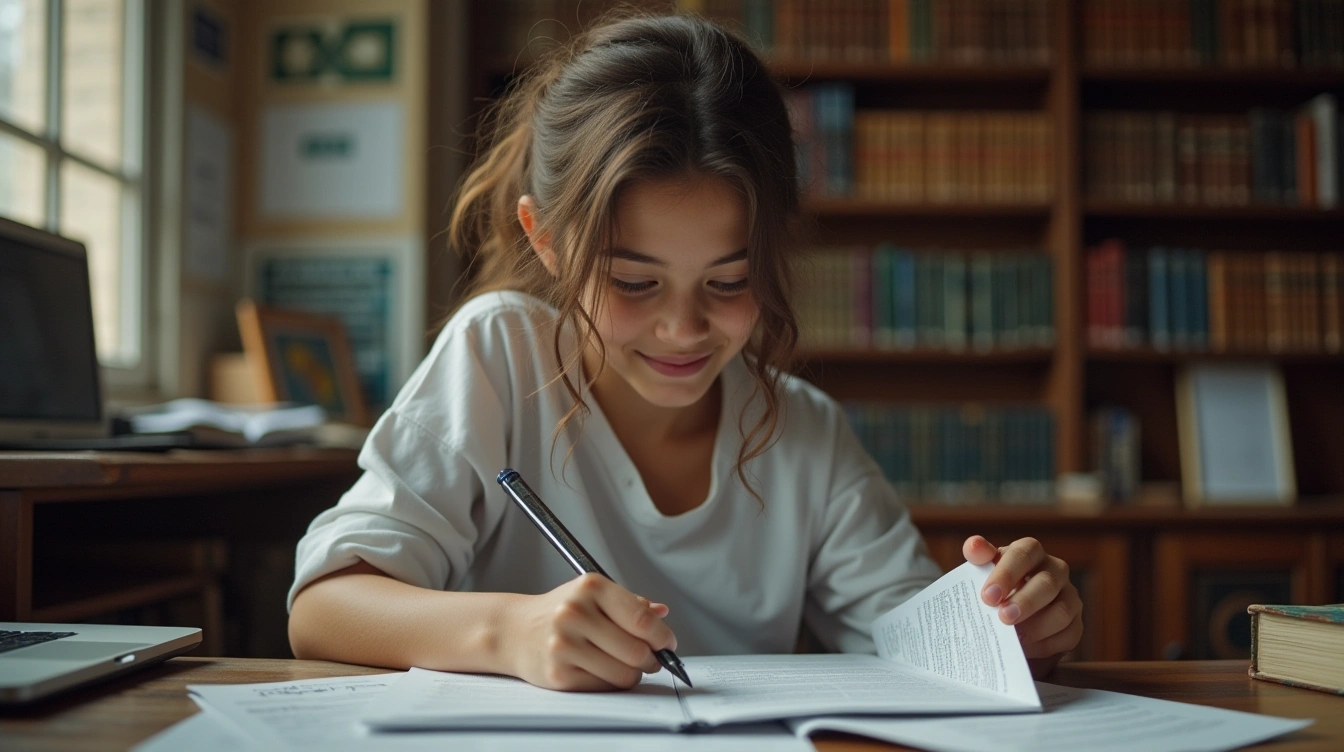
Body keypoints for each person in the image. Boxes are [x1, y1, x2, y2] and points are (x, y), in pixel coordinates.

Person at [287, 11, 1083, 692]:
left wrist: (1008, 625)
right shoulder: (500, 357)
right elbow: (324, 608)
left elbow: (915, 640)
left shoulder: (802, 430)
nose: (683, 330)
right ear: (549, 242)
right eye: (634, 283)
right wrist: (510, 632)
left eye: (729, 281)